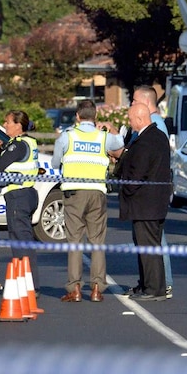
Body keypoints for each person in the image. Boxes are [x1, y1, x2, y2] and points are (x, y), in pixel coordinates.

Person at [52, 99, 124, 303]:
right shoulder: (103, 138)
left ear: (77, 116)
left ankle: (74, 289)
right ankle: (96, 289)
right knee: (97, 241)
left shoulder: (67, 136)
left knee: (74, 241)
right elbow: (120, 144)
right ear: (95, 117)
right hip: (97, 193)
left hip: (73, 192)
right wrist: (111, 129)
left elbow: (55, 162)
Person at [118, 102, 172, 302]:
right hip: (154, 203)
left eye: (131, 120)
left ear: (140, 119)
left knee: (147, 247)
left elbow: (137, 173)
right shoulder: (158, 137)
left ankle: (153, 288)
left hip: (145, 204)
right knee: (149, 247)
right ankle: (148, 284)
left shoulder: (146, 141)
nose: (130, 123)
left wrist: (126, 188)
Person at [131, 85, 174, 299]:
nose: (131, 105)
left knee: (152, 243)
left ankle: (157, 286)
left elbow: (144, 166)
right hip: (150, 198)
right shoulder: (152, 132)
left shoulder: (153, 133)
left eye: (134, 102)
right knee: (148, 243)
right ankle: (150, 284)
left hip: (149, 199)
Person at [0, 110, 40, 289]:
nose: (4, 125)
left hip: (18, 195)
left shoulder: (17, 145)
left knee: (20, 241)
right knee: (23, 240)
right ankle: (27, 283)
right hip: (26, 194)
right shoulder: (26, 142)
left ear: (18, 126)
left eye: (7, 122)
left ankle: (27, 285)